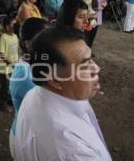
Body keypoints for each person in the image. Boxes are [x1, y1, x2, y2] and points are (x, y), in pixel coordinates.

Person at [14, 27, 112, 161]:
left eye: (91, 59)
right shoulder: (75, 152)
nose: (96, 68)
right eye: (84, 65)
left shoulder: (35, 93)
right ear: (54, 80)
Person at [8, 17, 46, 159]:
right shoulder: (25, 77)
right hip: (26, 139)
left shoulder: (36, 65)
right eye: (45, 40)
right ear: (29, 44)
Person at [0, 16, 19, 110]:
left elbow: (18, 50)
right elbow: (2, 54)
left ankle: (9, 99)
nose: (15, 26)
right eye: (13, 24)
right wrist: (11, 63)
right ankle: (2, 103)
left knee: (12, 84)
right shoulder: (3, 37)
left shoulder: (15, 36)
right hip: (5, 68)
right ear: (7, 27)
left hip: (14, 65)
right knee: (5, 86)